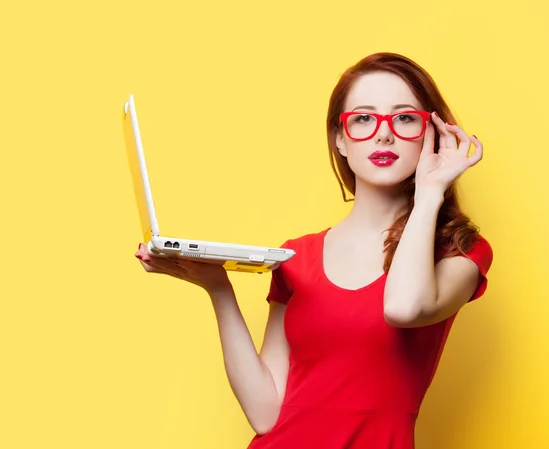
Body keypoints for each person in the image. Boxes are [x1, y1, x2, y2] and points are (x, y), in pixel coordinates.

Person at [135, 52, 493, 449]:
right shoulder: (295, 258)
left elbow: (403, 308)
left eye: (405, 118)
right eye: (363, 119)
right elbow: (265, 413)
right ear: (340, 139)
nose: (384, 134)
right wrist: (217, 288)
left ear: (434, 134)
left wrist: (430, 194)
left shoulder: (458, 252)